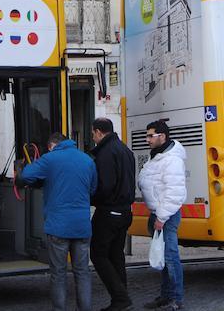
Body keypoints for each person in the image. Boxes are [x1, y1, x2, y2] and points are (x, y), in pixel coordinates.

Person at [18, 131, 98, 311]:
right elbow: (92, 189)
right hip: (82, 226)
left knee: (58, 273)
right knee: (83, 271)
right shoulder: (87, 160)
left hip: (58, 226)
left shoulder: (49, 159)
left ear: (52, 145)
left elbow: (26, 176)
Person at [137, 120, 187, 311]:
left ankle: (176, 299)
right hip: (158, 213)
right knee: (164, 258)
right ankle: (166, 296)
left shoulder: (171, 159)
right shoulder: (157, 156)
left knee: (171, 257)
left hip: (166, 215)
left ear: (162, 137)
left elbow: (174, 193)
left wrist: (161, 217)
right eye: (147, 135)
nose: (147, 139)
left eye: (151, 135)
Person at [89, 117, 136, 311]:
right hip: (125, 211)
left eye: (92, 134)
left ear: (99, 132)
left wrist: (93, 199)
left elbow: (106, 186)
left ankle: (120, 298)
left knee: (98, 255)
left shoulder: (105, 153)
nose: (92, 137)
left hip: (109, 211)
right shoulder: (125, 149)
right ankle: (121, 298)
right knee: (116, 255)